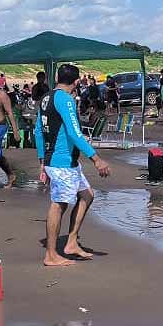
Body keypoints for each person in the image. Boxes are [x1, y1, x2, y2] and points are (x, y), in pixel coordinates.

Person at [35, 64, 111, 266]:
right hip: (62, 163)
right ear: (77, 82)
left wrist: (42, 162)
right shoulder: (66, 100)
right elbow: (74, 133)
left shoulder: (45, 98)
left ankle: (71, 243)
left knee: (87, 195)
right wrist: (96, 159)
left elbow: (37, 132)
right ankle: (51, 255)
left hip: (60, 162)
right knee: (58, 205)